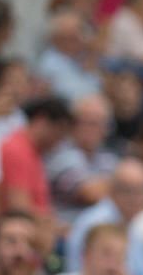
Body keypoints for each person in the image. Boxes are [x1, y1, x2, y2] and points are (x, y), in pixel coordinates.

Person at [45, 94, 118, 225]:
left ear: (107, 128)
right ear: (73, 125)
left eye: (96, 123)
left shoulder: (106, 157)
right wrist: (120, 185)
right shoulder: (61, 154)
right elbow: (91, 194)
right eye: (84, 122)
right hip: (66, 235)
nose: (89, 129)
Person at [0, 97, 73, 218]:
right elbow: (19, 207)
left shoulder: (35, 153)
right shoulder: (16, 150)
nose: (59, 141)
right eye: (59, 132)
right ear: (42, 121)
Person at [36, 9, 103, 102]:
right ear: (57, 39)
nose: (80, 39)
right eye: (72, 37)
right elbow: (64, 95)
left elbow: (98, 84)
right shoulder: (49, 62)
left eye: (80, 33)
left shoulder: (85, 57)